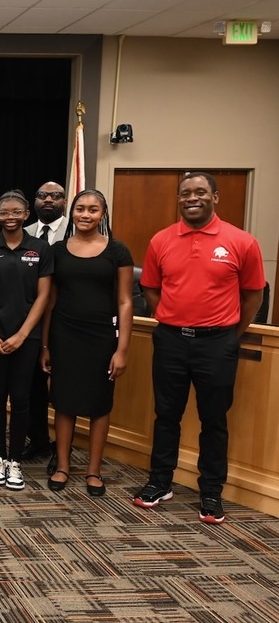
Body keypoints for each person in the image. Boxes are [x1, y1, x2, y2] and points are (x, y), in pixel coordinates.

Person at [133, 172, 265, 524]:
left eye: (200, 192)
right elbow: (150, 288)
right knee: (166, 415)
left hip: (217, 344)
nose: (192, 198)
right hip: (171, 341)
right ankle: (160, 481)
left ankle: (210, 491)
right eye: (185, 193)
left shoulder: (241, 241)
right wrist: (170, 318)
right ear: (179, 199)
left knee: (214, 420)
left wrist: (232, 333)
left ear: (215, 197)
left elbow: (254, 295)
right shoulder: (161, 239)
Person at [41, 190, 133, 496]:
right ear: (72, 212)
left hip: (102, 337)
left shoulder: (117, 251)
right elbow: (50, 301)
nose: (85, 214)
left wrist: (122, 349)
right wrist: (45, 345)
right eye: (80, 208)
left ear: (102, 214)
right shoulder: (57, 250)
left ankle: (94, 470)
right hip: (64, 335)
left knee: (99, 404)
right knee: (64, 402)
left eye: (93, 210)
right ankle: (63, 466)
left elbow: (125, 301)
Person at [0, 189, 52, 491]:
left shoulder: (40, 248)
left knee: (21, 398)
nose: (10, 217)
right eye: (4, 212)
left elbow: (44, 296)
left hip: (28, 338)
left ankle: (15, 462)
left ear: (26, 214)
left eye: (16, 212)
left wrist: (23, 335)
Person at [24, 182, 68, 470]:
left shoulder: (75, 232)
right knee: (33, 386)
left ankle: (63, 451)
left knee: (63, 387)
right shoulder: (25, 232)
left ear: (65, 201)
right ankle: (39, 439)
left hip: (65, 319)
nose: (48, 200)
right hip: (31, 320)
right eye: (42, 196)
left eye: (55, 196)